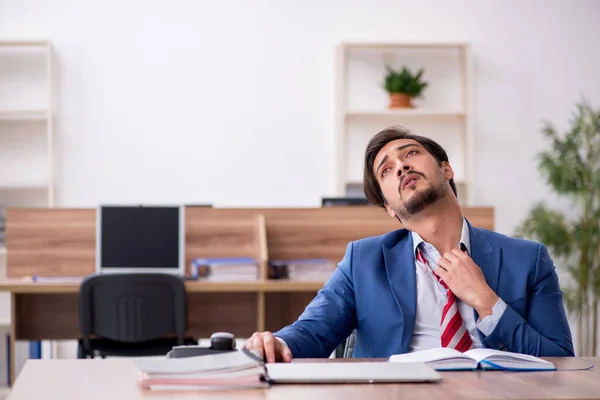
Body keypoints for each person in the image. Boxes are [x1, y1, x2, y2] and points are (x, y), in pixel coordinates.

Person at [245, 125, 574, 363]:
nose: (400, 166)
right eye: (386, 170)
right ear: (389, 207)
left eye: (411, 154)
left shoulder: (529, 259)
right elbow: (313, 332)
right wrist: (275, 342)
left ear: (446, 169)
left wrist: (486, 301)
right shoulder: (363, 260)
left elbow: (560, 360)